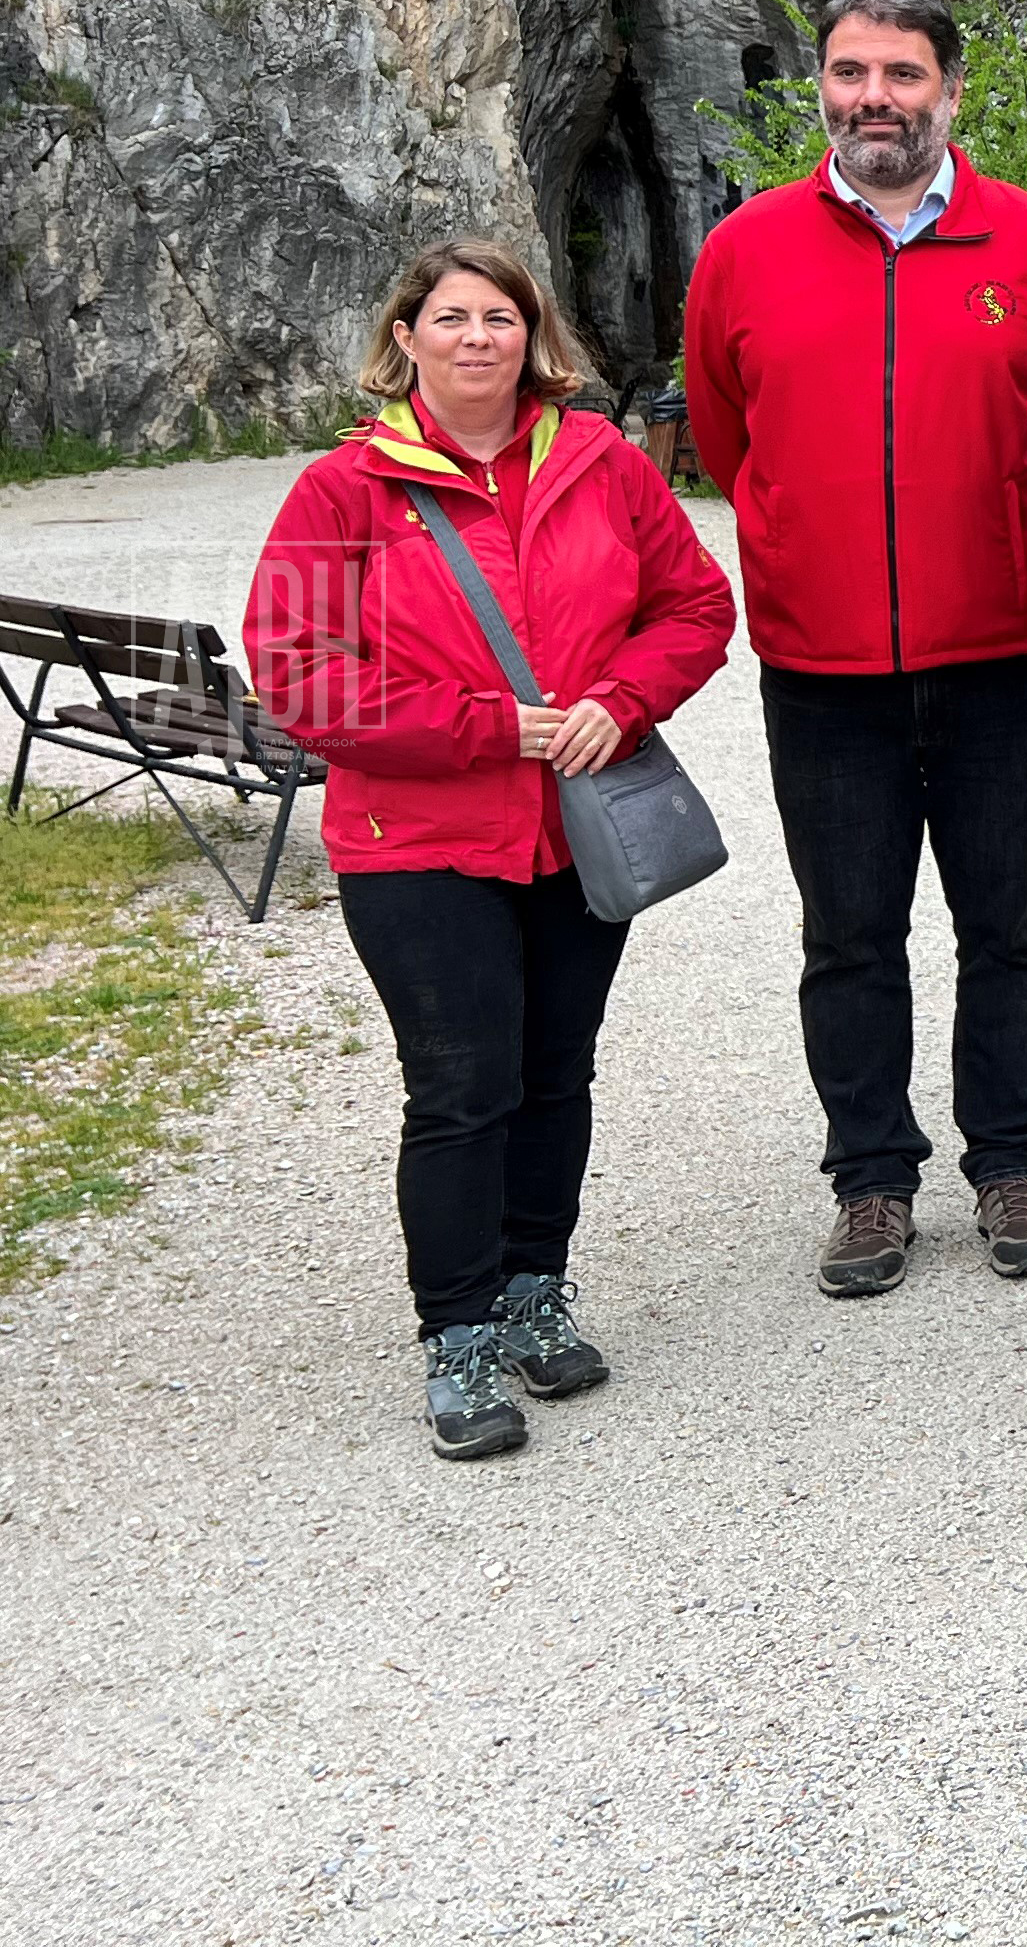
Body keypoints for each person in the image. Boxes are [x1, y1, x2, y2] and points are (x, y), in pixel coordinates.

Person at [244, 243, 735, 1457]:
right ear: (405, 337)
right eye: (452, 318)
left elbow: (695, 606)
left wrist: (622, 699)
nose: (478, 338)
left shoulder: (603, 461)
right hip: (417, 842)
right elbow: (298, 675)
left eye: (500, 318)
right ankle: (457, 1336)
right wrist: (483, 727)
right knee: (464, 1089)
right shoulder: (342, 491)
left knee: (556, 1074)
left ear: (533, 336)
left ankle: (533, 1293)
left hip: (573, 837)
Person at [680, 0, 1027, 1296]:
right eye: (853, 72)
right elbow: (727, 438)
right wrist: (805, 547)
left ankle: (1013, 1161)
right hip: (823, 666)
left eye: (903, 74)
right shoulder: (744, 250)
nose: (876, 98)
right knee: (849, 934)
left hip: (1005, 652)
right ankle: (870, 1180)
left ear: (950, 92)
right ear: (823, 85)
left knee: (1011, 926)